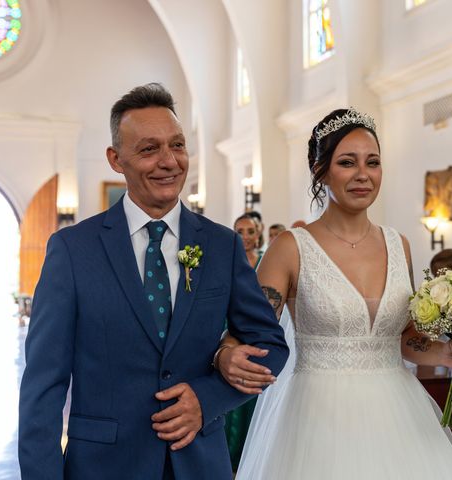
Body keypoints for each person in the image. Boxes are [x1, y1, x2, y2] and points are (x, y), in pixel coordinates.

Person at [18, 83, 289, 480]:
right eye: (149, 149)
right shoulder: (73, 250)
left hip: (200, 462)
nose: (169, 161)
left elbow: (269, 344)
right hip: (104, 466)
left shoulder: (221, 244)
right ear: (116, 159)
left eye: (177, 146)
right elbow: (43, 386)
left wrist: (208, 398)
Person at [216, 107, 452, 479]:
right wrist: (226, 353)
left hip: (397, 411)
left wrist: (449, 353)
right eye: (347, 163)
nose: (363, 175)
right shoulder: (290, 247)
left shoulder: (398, 244)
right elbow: (250, 328)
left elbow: (404, 338)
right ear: (320, 171)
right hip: (316, 415)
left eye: (373, 162)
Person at [224, 214, 264, 471]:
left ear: (257, 234)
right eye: (240, 231)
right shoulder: (228, 260)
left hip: (260, 329)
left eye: (250, 231)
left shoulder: (266, 260)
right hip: (231, 328)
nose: (246, 237)